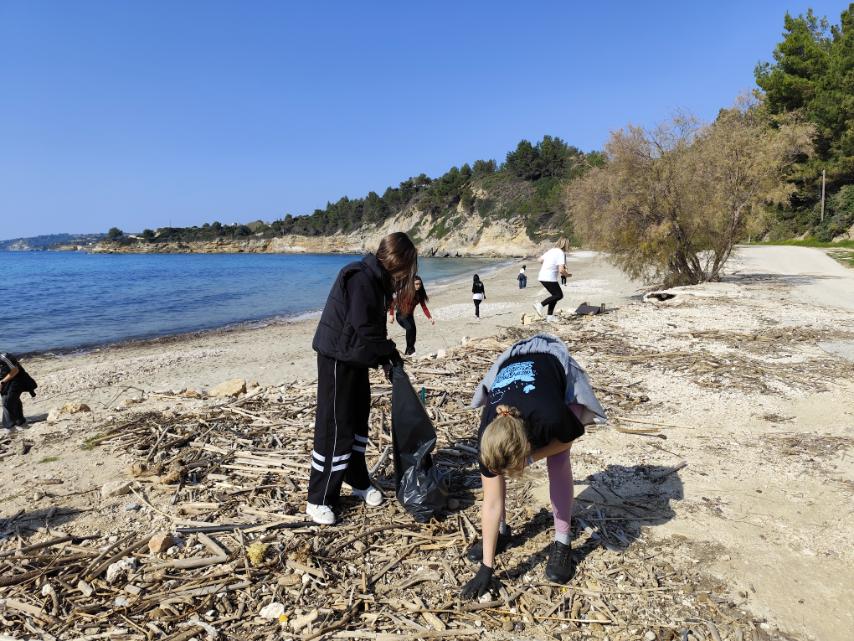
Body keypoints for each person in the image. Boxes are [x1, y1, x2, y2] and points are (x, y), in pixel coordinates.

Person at [460, 333, 605, 599]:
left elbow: (569, 438)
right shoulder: (487, 437)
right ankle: (502, 532)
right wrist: (486, 567)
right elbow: (490, 503)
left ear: (528, 446)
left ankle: (563, 541)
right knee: (495, 473)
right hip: (512, 361)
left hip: (553, 365)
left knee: (558, 460)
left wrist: (529, 460)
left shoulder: (549, 417)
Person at [307, 232, 417, 525]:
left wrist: (386, 359)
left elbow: (371, 331)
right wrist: (389, 352)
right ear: (398, 261)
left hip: (355, 357)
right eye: (408, 267)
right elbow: (364, 328)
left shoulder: (377, 280)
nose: (408, 274)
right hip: (336, 359)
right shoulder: (360, 277)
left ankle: (356, 479)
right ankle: (319, 498)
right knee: (334, 426)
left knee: (357, 422)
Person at [389, 275, 434, 356]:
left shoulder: (419, 295)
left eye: (419, 284)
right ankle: (410, 350)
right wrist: (391, 315)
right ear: (412, 285)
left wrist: (429, 317)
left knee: (413, 333)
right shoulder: (405, 293)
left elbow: (424, 307)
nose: (418, 286)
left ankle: (408, 351)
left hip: (409, 316)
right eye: (416, 284)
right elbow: (393, 303)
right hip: (400, 315)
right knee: (409, 329)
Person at [533, 238, 571, 322]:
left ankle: (550, 317)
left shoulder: (551, 251)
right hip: (549, 277)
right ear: (566, 245)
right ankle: (540, 305)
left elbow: (539, 260)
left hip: (542, 276)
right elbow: (561, 270)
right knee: (559, 295)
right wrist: (567, 275)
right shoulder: (561, 253)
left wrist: (549, 263)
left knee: (554, 296)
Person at [1, 352, 37, 431]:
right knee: (14, 401)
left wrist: (2, 382)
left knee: (7, 402)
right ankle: (21, 422)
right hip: (6, 381)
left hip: (18, 380)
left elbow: (15, 370)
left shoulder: (4, 357)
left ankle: (10, 427)